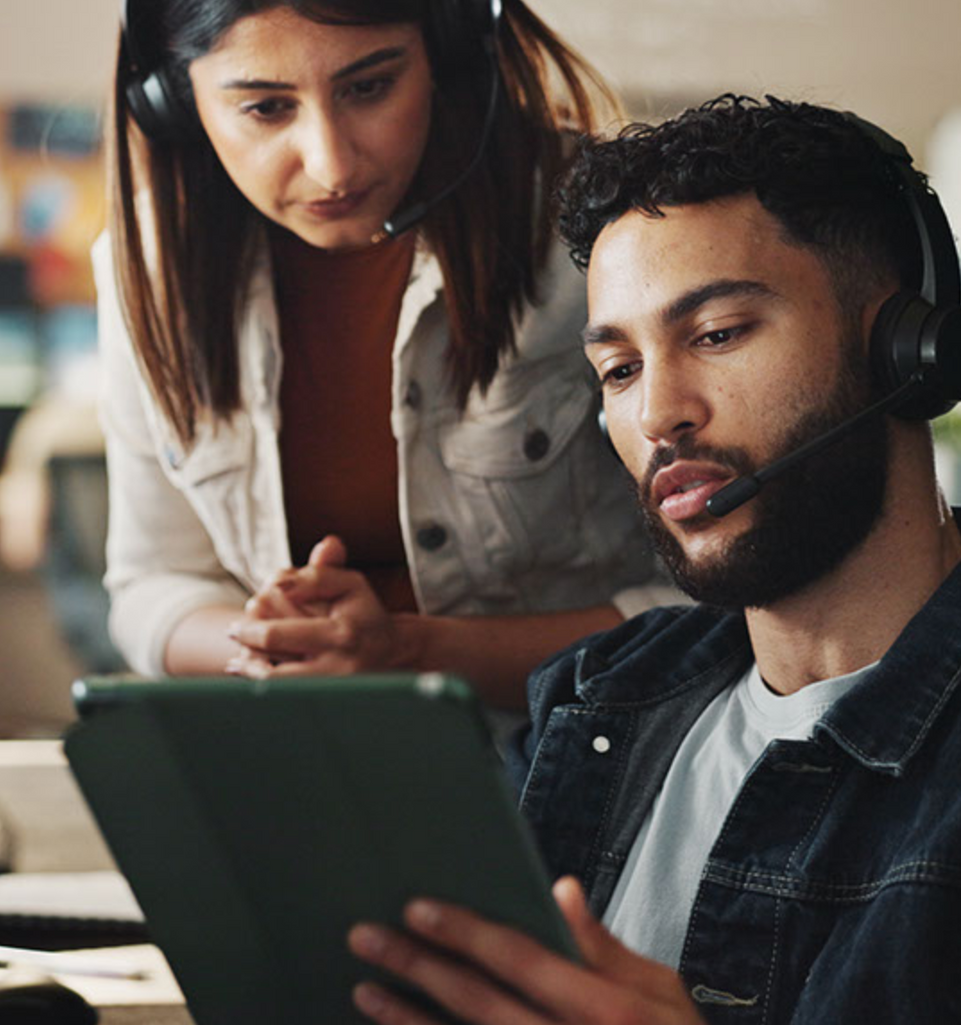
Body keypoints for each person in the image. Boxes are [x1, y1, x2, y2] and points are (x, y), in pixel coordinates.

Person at [347, 95, 961, 1023]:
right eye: (620, 368)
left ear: (906, 351)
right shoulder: (601, 694)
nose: (656, 414)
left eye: (715, 335)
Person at [100, 0, 676, 703]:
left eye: (370, 86)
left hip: (579, 770)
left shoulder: (598, 235)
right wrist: (279, 647)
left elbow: (712, 606)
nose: (331, 164)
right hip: (310, 776)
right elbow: (150, 584)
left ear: (443, 45)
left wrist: (412, 653)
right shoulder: (152, 267)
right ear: (169, 97)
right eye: (266, 107)